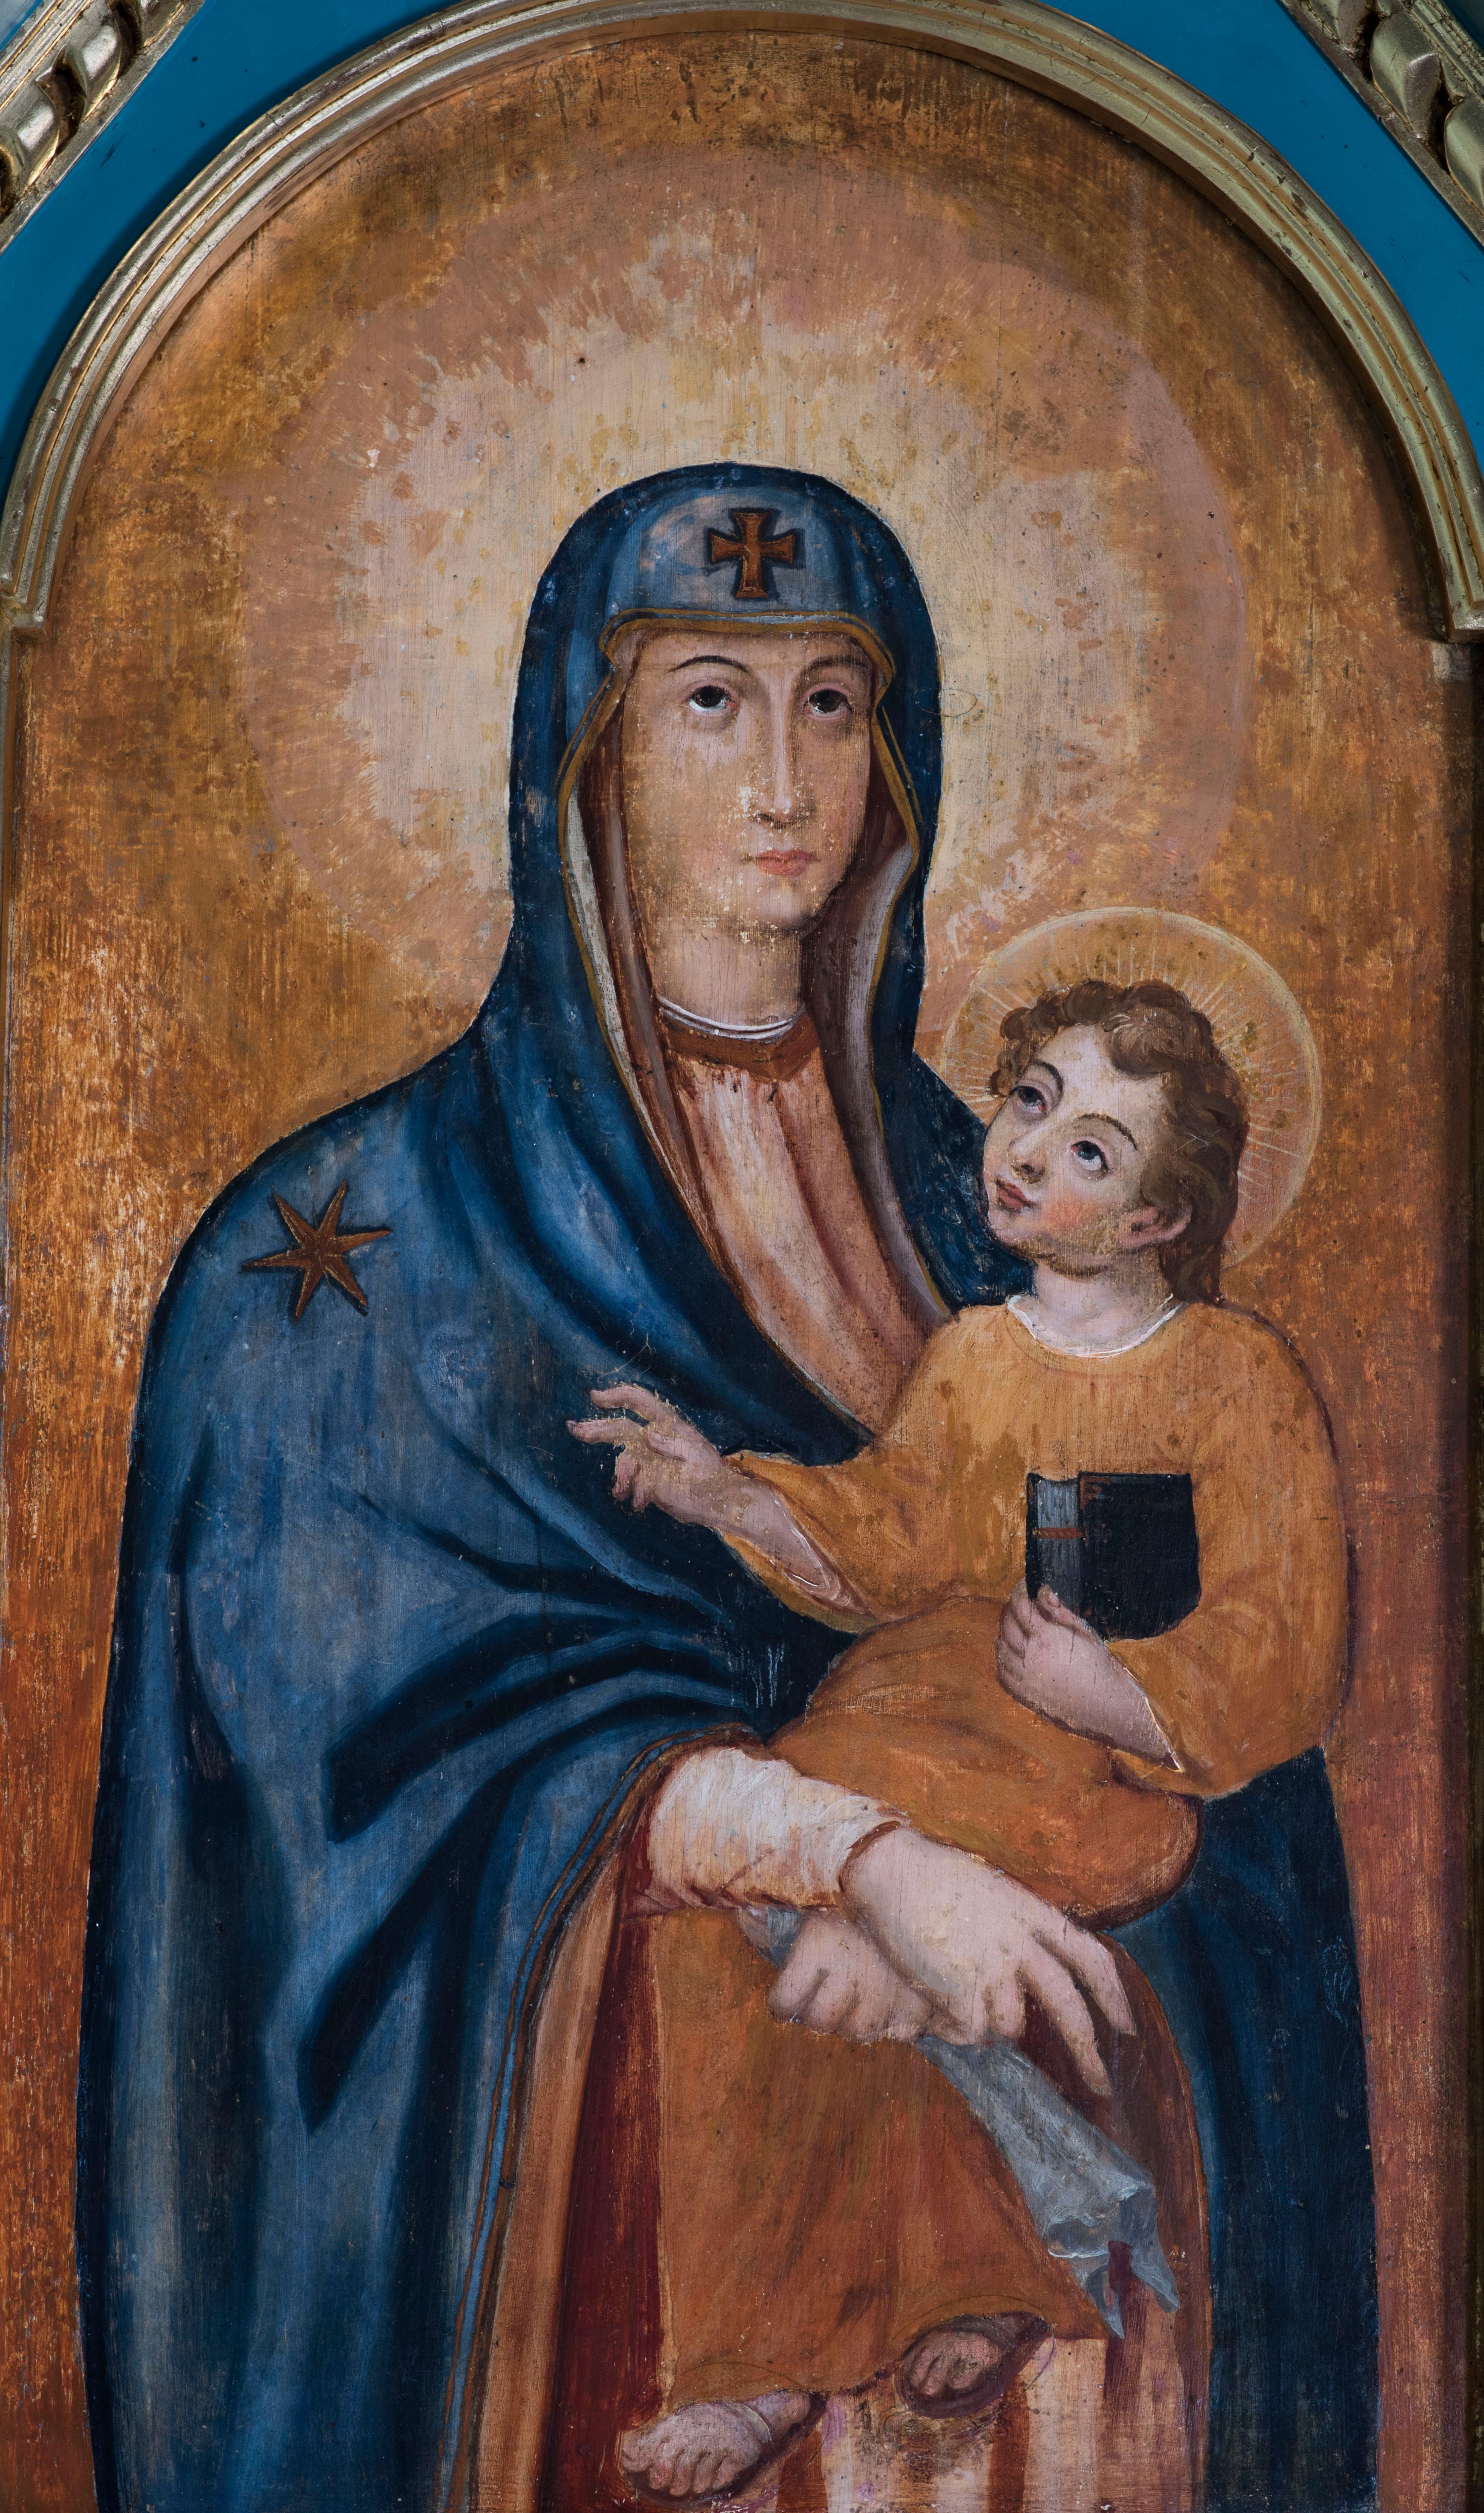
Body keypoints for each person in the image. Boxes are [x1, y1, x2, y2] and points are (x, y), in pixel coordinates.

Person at [76, 467, 1374, 2513]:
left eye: (833, 704)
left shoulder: (1000, 1207)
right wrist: (853, 1857)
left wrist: (1057, 1829)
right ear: (584, 751)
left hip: (1063, 2254)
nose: (784, 778)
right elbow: (366, 1778)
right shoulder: (353, 1246)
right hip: (626, 2229)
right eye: (708, 700)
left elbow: (1235, 1718)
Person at [572, 977, 1348, 2504]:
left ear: (1154, 1220)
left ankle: (962, 2284)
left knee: (862, 1901)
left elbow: (1285, 1640)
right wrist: (725, 1492)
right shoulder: (977, 1357)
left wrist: (1106, 1694)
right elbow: (890, 1538)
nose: (1031, 1152)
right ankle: (779, 2344)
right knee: (754, 1889)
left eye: (1092, 1151)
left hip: (1086, 1771)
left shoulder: (1239, 1381)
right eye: (1032, 1103)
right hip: (901, 1721)